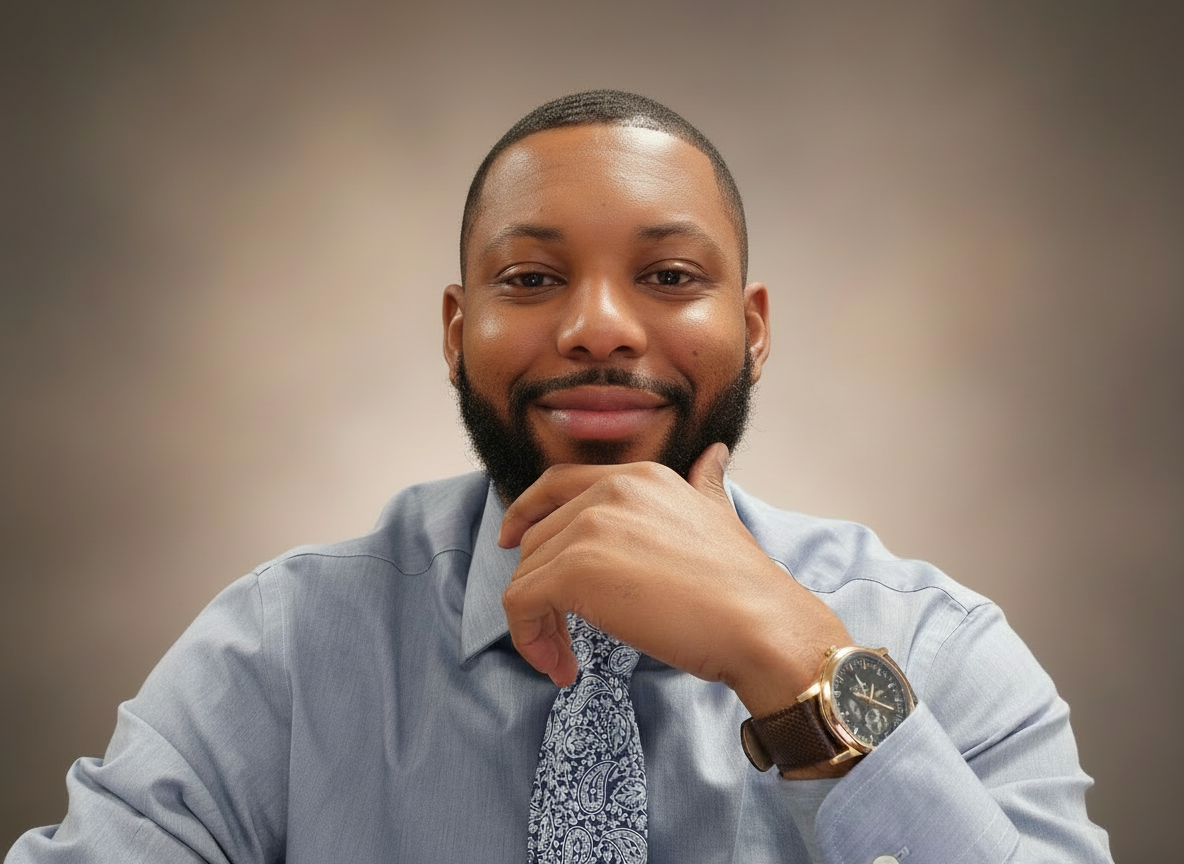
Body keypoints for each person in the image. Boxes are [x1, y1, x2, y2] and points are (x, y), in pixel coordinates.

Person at [6, 90, 1112, 864]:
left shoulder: (941, 650)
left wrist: (794, 658)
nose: (594, 327)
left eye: (668, 276)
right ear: (456, 331)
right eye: (531, 277)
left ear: (753, 327)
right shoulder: (283, 651)